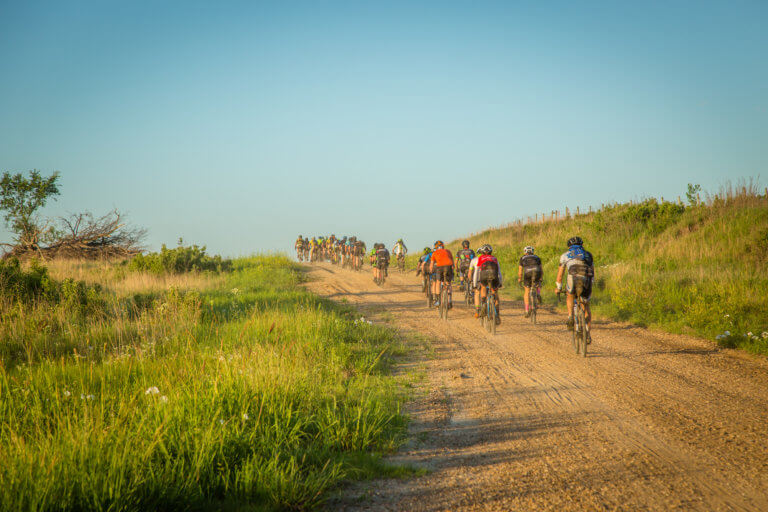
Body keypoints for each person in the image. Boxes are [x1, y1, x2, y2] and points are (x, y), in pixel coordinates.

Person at [555, 236, 595, 340]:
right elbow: (592, 272)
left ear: (569, 246)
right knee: (586, 306)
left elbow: (560, 275)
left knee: (570, 295)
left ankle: (570, 317)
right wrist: (591, 283)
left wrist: (558, 287)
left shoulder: (565, 255)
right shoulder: (588, 254)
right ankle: (587, 333)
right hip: (587, 277)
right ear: (581, 245)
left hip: (573, 276)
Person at [470, 244, 502, 323]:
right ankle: (497, 315)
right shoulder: (494, 258)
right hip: (494, 276)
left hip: (484, 276)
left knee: (483, 287)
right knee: (495, 294)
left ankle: (484, 302)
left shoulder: (480, 258)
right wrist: (500, 282)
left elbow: (477, 271)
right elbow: (499, 272)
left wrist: (474, 284)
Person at [518, 246, 543, 317]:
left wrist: (519, 278)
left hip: (527, 273)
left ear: (525, 252)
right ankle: (538, 293)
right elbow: (541, 269)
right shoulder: (537, 257)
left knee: (527, 291)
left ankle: (526, 310)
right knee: (538, 283)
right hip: (537, 271)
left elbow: (520, 271)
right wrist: (541, 278)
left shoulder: (522, 258)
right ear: (532, 251)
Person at [429, 240, 454, 308]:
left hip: (440, 267)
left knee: (438, 282)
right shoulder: (448, 251)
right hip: (448, 266)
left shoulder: (434, 253)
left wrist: (430, 270)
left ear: (436, 247)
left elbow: (431, 265)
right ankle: (450, 301)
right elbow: (452, 262)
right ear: (443, 246)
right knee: (448, 283)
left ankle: (438, 300)